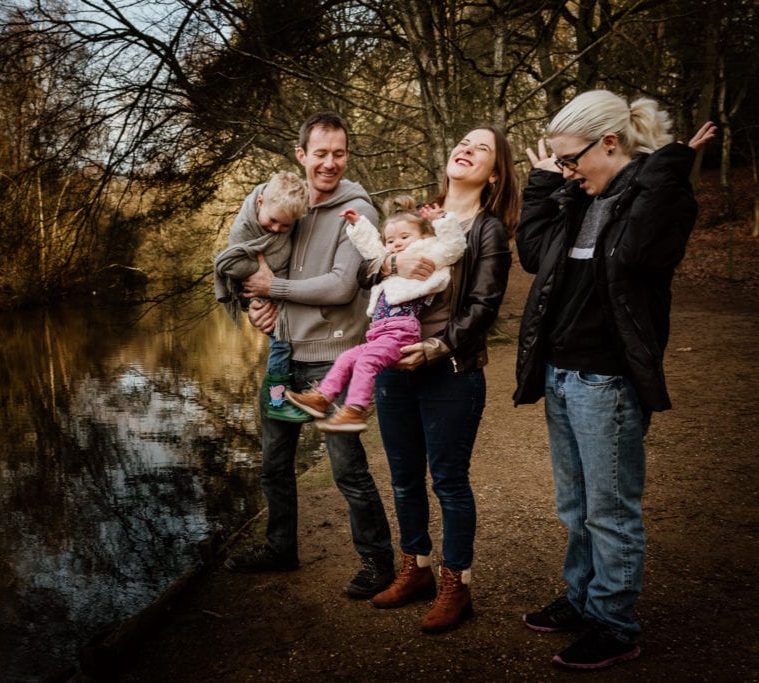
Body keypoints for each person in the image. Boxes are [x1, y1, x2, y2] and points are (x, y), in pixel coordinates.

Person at [513, 89, 716, 670]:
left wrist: (667, 168)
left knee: (610, 511)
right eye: (561, 164)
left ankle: (614, 623)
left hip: (607, 382)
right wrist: (542, 185)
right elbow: (532, 255)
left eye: (572, 159)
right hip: (559, 373)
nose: (568, 172)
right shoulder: (576, 198)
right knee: (574, 507)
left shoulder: (655, 198)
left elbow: (634, 257)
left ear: (610, 142)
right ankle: (581, 600)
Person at [223, 112, 396, 600]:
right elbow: (243, 260)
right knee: (274, 463)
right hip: (283, 355)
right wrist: (255, 303)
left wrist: (271, 287)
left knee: (347, 467)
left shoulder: (357, 210)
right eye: (320, 153)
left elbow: (342, 287)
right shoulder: (278, 201)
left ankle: (378, 561)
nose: (330, 163)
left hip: (333, 360)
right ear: (301, 155)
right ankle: (280, 548)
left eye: (339, 153)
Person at [362, 126, 520, 633]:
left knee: (448, 480)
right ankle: (416, 568)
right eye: (463, 141)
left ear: (493, 173)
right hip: (391, 365)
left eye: (481, 148)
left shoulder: (487, 229)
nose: (466, 149)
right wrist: (389, 257)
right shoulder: (419, 217)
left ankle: (456, 583)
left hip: (450, 371)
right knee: (404, 477)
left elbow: (484, 305)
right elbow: (369, 272)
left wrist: (437, 346)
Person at [286, 199, 466, 433]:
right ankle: (322, 397)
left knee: (366, 363)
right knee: (346, 358)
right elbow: (372, 249)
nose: (397, 244)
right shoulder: (390, 261)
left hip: (402, 331)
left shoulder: (427, 255)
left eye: (404, 237)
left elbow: (453, 246)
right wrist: (358, 224)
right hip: (379, 333)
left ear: (423, 236)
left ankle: (354, 411)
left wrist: (441, 221)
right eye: (391, 240)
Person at [214, 170, 312, 422]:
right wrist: (261, 273)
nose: (278, 229)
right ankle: (277, 401)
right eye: (273, 221)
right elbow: (228, 264)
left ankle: (284, 396)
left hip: (280, 290)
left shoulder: (285, 210)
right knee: (280, 345)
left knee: (285, 344)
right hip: (257, 292)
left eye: (285, 226)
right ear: (260, 203)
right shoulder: (244, 227)